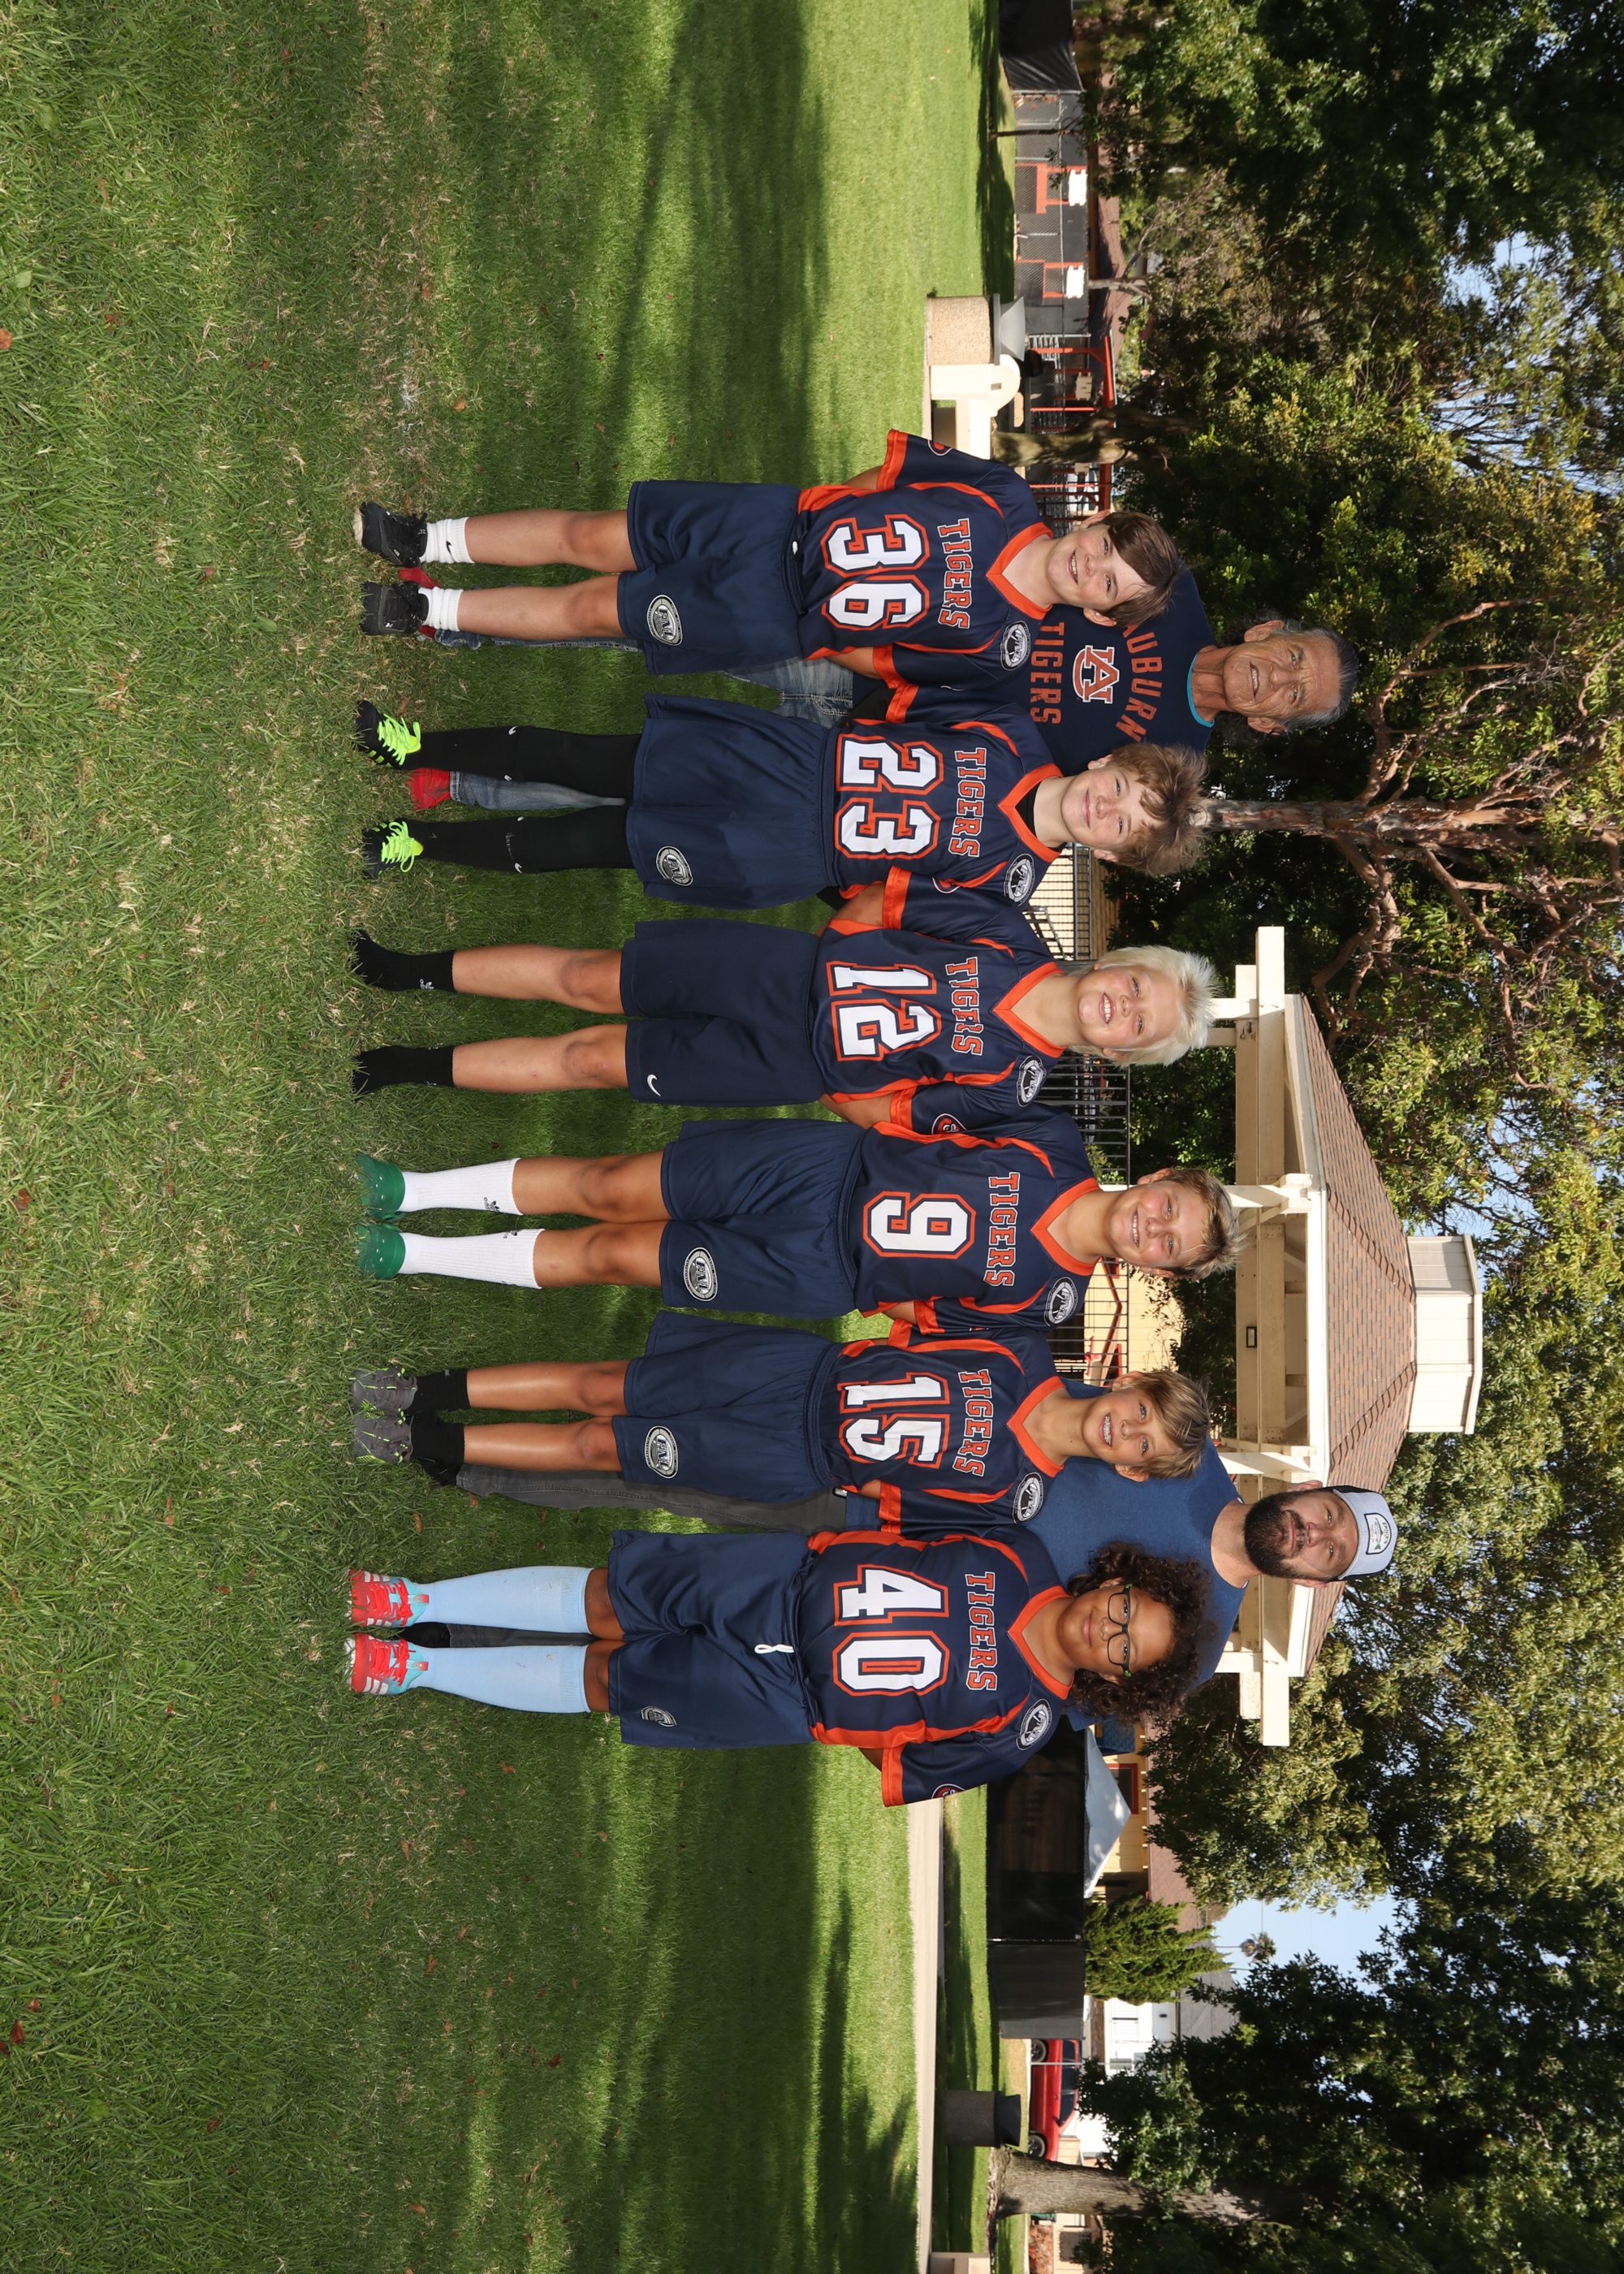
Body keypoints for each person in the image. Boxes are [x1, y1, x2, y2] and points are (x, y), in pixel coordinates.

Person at [342, 1531, 1213, 1805]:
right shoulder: (1018, 1551)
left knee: (611, 1682)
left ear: (1116, 1679)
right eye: (1126, 1609)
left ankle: (409, 1666)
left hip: (784, 1695)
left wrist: (840, 1697)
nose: (1110, 1628)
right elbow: (904, 1523)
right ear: (1116, 1582)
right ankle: (410, 1599)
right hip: (779, 1578)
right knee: (611, 1598)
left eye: (1125, 1648)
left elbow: (902, 1768)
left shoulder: (1021, 1727)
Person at [352, 439, 1184, 698]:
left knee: (591, 611)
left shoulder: (1003, 648)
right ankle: (425, 541)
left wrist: (818, 628)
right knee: (591, 535)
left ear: (1099, 614)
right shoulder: (1003, 491)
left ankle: (426, 613)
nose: (1090, 566)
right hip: (774, 521)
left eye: (1109, 584)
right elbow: (892, 477)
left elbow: (888, 664)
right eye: (1105, 546)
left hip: (770, 614)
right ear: (1096, 521)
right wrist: (822, 507)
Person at [348, 874, 1217, 1118]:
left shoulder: (1015, 1088)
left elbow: (900, 1117)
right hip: (782, 971)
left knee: (590, 1060)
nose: (1123, 1006)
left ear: (1122, 1051)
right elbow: (893, 899)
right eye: (1136, 987)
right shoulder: (1009, 934)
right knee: (588, 977)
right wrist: (834, 949)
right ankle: (408, 968)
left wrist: (837, 1083)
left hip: (784, 1063)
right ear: (1120, 963)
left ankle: (403, 1067)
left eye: (1139, 1025)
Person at [349, 1113, 1243, 1327]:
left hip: (820, 1270)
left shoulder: (1048, 1302)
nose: (1152, 1227)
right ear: (1158, 1178)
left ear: (1157, 1271)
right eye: (1169, 1208)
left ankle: (413, 1254)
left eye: (1169, 1246)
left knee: (618, 1255)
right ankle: (414, 1188)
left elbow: (926, 1317)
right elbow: (932, 1107)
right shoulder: (1054, 1143)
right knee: (615, 1185)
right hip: (824, 1167)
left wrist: (858, 1279)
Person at [351, 1317, 1213, 1531]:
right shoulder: (1017, 1354)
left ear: (1131, 1470)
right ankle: (423, 1389)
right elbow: (909, 1332)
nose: (1126, 1431)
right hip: (795, 1371)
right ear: (1127, 1382)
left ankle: (425, 1441)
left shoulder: (1014, 1495)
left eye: (1143, 1446)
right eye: (1140, 1412)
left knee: (598, 1445)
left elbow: (888, 1500)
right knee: (603, 1385)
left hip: (790, 1456)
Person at [352, 691, 1211, 892]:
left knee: (588, 844)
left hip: (785, 851)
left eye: (1123, 827)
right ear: (1110, 760)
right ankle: (414, 744)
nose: (1108, 808)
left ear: (1108, 855)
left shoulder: (1006, 884)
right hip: (786, 765)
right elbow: (896, 700)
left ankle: (417, 842)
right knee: (588, 761)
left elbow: (882, 914)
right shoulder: (1011, 731)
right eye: (1123, 788)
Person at [726, 591, 1363, 772]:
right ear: (1266, 630)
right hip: (884, 645)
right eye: (1293, 656)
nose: (1279, 676)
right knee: (703, 628)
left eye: (1294, 694)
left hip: (882, 748)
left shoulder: (1169, 769)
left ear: (1268, 723)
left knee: (707, 756)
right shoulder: (1165, 588)